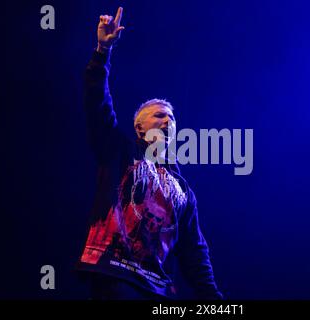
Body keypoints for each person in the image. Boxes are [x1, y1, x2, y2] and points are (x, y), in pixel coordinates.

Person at [76, 6, 223, 300]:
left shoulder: (183, 190)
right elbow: (97, 105)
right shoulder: (119, 151)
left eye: (171, 117)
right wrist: (102, 51)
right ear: (140, 128)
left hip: (156, 288)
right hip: (114, 274)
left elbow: (194, 253)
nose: (167, 120)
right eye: (158, 116)